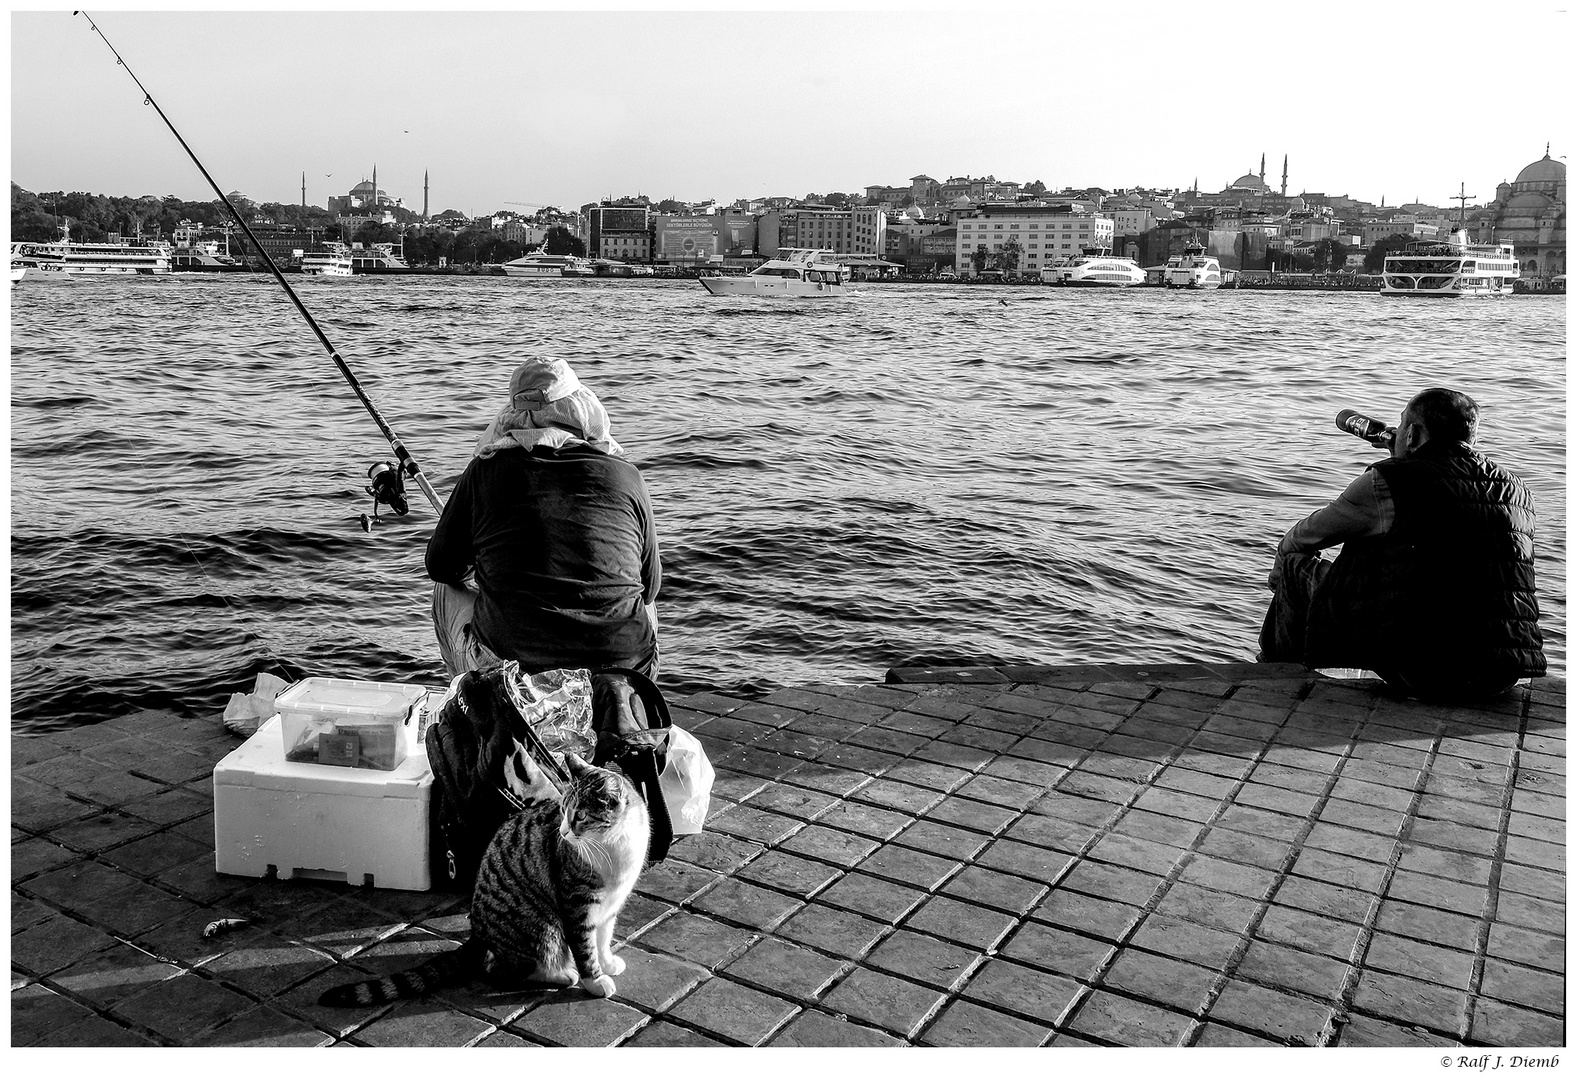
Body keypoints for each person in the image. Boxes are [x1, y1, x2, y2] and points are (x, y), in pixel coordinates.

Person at [1259, 387, 1546, 701]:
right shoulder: (1517, 489)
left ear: (1411, 434)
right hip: (1502, 675)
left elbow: (1300, 538)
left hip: (1423, 674)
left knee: (1295, 563)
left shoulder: (1386, 481)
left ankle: (1274, 675)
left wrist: (1279, 581)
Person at [427, 357, 661, 681]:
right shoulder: (627, 475)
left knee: (446, 590)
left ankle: (473, 706)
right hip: (628, 670)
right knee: (642, 600)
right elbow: (650, 588)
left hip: (517, 677)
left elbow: (440, 566)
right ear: (579, 410)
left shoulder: (484, 471)